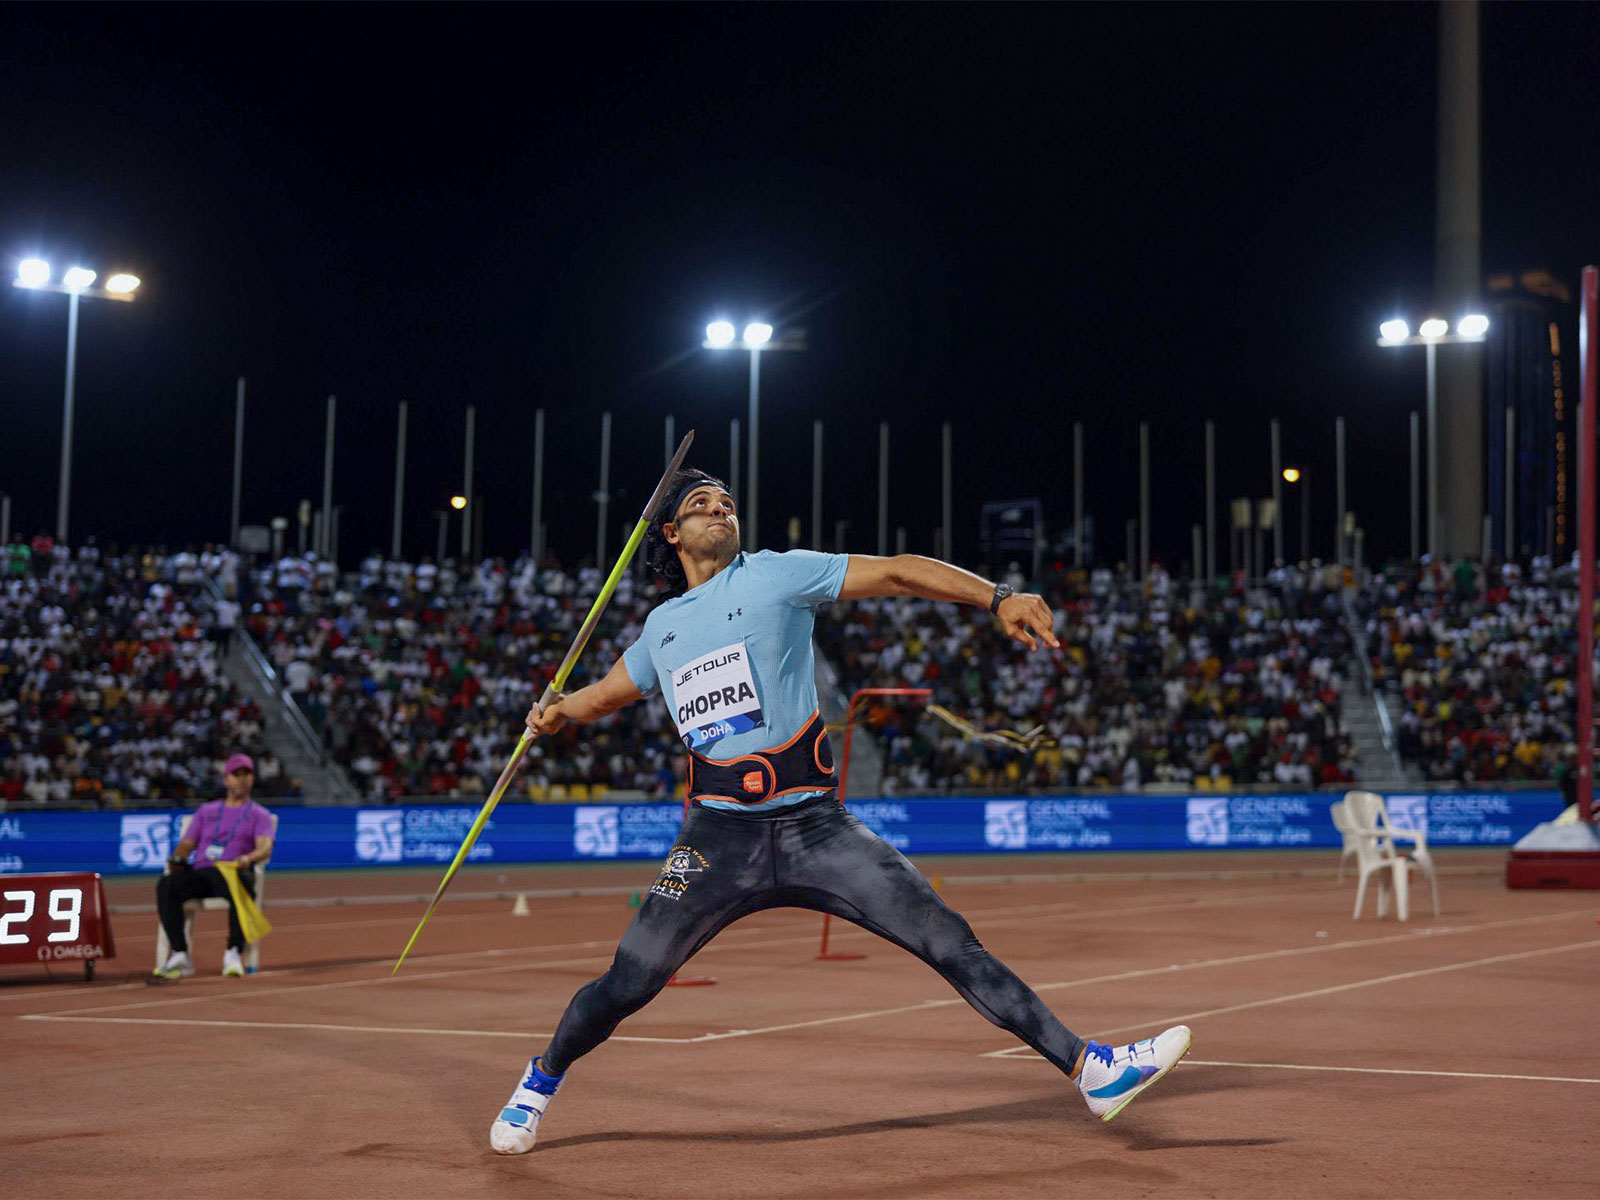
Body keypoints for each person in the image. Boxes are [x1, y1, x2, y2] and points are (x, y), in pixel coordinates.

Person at [488, 469, 1192, 1154]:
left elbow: (896, 571)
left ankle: (1090, 1070)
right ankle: (538, 1081)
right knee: (628, 980)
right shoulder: (661, 627)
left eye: (728, 502)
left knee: (949, 939)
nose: (722, 511)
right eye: (703, 504)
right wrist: (554, 714)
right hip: (715, 840)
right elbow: (609, 692)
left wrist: (995, 595)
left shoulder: (776, 574)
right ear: (670, 532)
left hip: (814, 828)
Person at [152, 753, 275, 979]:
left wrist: (247, 859)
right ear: (225, 779)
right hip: (202, 873)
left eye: (246, 774)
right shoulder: (206, 811)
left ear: (252, 779)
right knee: (167, 884)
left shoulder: (260, 815)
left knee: (243, 884)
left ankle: (233, 952)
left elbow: (265, 847)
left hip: (233, 872)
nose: (241, 779)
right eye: (235, 774)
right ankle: (180, 953)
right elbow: (186, 845)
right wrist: (177, 859)